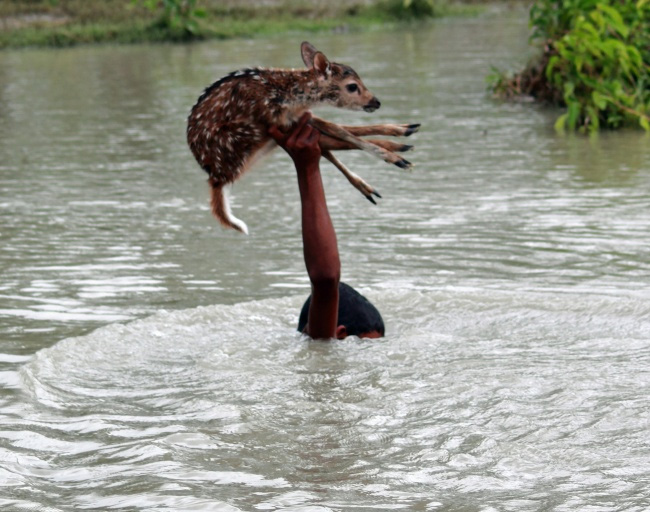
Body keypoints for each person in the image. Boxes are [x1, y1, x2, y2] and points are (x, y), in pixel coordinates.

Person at [268, 112, 385, 340]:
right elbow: (325, 280)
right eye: (366, 346)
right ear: (339, 334)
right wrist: (308, 167)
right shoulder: (323, 344)